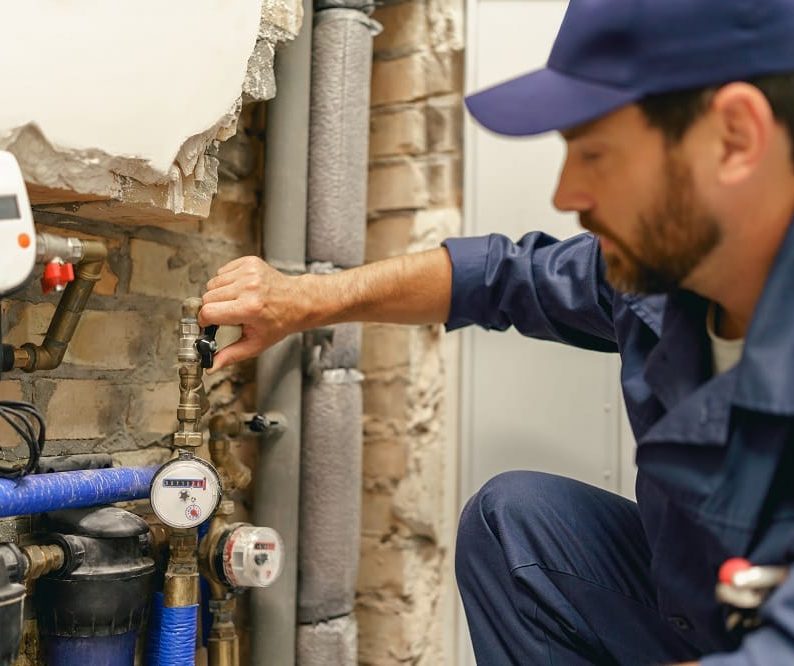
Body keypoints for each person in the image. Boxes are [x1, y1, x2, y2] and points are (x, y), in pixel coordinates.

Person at [200, 0, 794, 663]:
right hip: (710, 609)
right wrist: (304, 299)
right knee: (520, 524)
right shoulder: (661, 283)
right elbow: (501, 276)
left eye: (595, 152)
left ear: (736, 139)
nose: (567, 194)